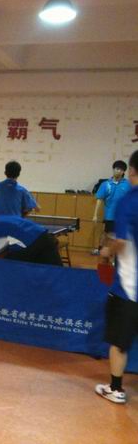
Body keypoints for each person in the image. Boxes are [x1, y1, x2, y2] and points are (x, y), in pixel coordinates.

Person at [95, 151, 138, 405]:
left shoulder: (129, 201)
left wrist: (106, 251)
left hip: (129, 290)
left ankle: (116, 389)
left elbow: (121, 243)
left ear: (131, 171)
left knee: (119, 342)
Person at [92, 160, 131, 255]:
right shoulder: (106, 184)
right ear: (113, 169)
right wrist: (95, 215)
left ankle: (115, 254)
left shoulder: (128, 184)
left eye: (120, 170)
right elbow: (99, 200)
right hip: (110, 215)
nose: (118, 171)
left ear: (123, 172)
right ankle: (100, 249)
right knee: (106, 234)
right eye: (116, 169)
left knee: (119, 235)